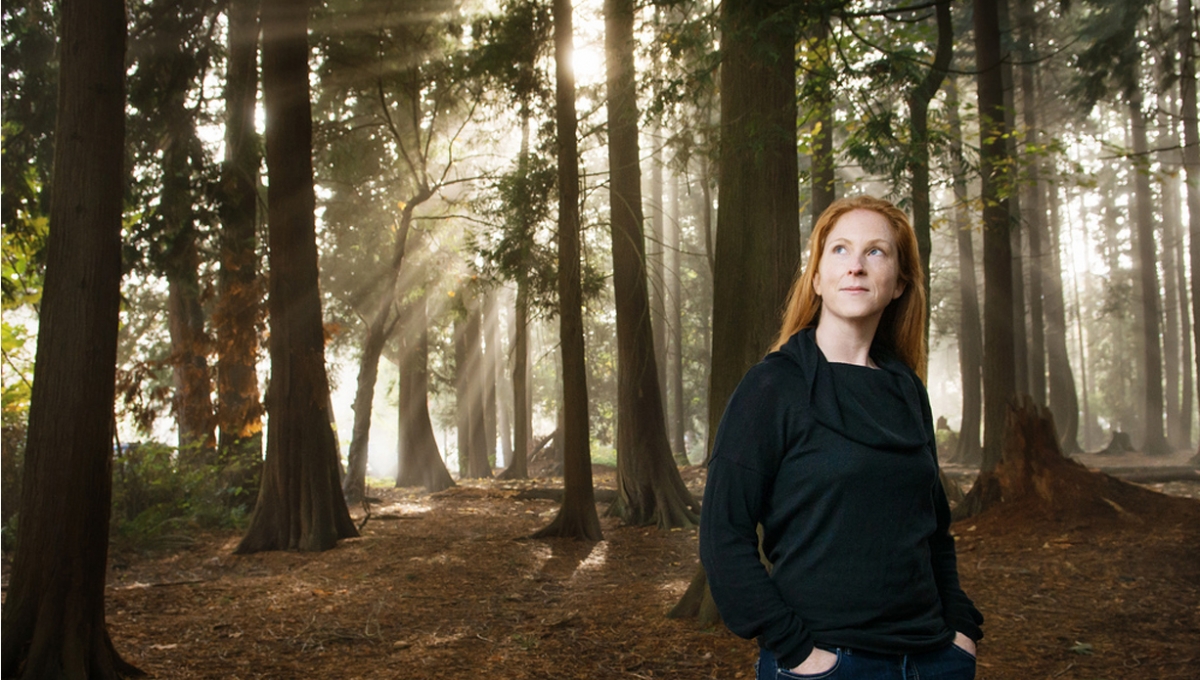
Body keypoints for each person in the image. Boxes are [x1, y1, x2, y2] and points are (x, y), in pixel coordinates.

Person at [699, 195, 983, 679]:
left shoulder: (906, 390)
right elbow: (723, 535)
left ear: (899, 283)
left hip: (934, 660)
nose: (856, 265)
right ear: (816, 278)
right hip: (826, 664)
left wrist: (961, 629)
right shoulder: (772, 388)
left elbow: (933, 529)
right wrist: (795, 651)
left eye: (876, 252)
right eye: (840, 250)